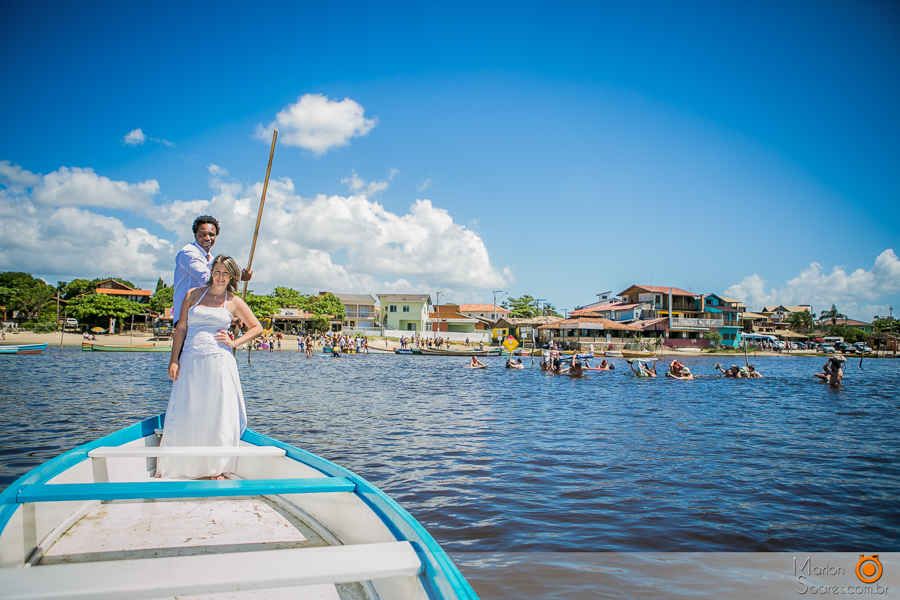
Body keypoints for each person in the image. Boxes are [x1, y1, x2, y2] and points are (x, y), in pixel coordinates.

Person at [156, 255, 263, 480]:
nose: (221, 276)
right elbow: (181, 329)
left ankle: (216, 466)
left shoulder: (233, 301)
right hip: (191, 359)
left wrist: (234, 342)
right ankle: (182, 464)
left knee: (218, 411)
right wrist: (174, 359)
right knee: (189, 407)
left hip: (219, 361)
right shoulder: (193, 294)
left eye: (226, 273)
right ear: (211, 272)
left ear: (232, 276)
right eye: (217, 271)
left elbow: (257, 327)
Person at [172, 216, 252, 329]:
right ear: (195, 234)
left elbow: (218, 289)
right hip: (187, 317)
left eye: (211, 234)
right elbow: (206, 279)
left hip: (204, 316)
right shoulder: (188, 253)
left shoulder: (211, 258)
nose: (207, 238)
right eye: (202, 234)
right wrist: (239, 276)